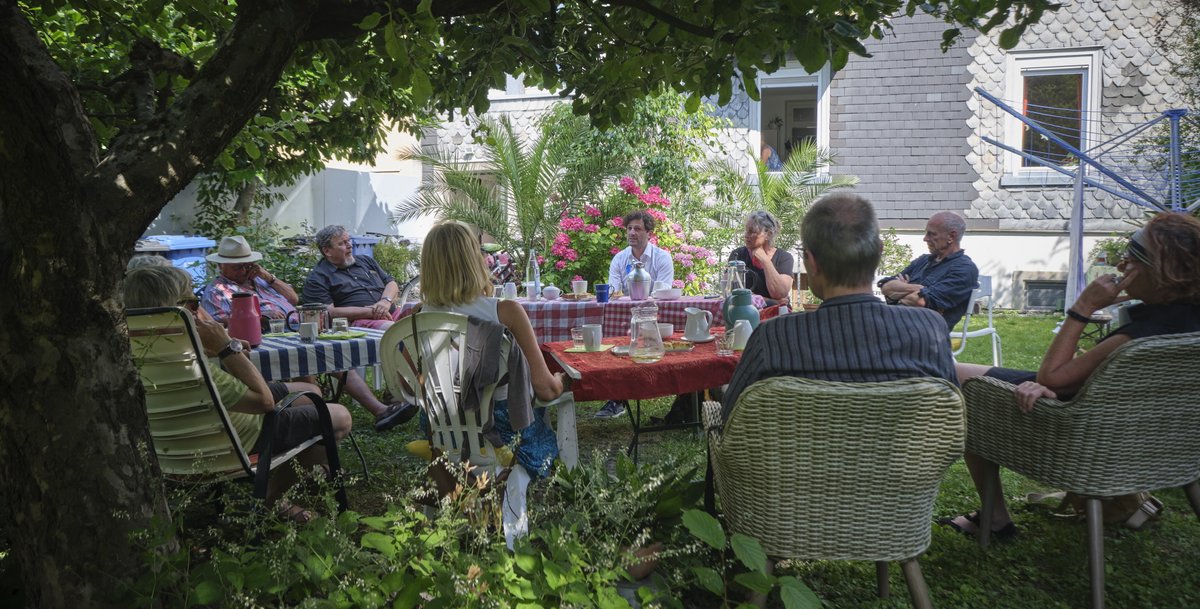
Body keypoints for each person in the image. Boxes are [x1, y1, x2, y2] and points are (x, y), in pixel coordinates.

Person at [943, 212, 1200, 539]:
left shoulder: (1142, 335)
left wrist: (1082, 308)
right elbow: (1103, 376)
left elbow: (1052, 377)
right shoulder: (1186, 324)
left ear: (1167, 272)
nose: (1121, 267)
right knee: (963, 371)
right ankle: (1123, 497)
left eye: (1132, 258)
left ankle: (994, 519)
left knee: (959, 379)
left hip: (1080, 431)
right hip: (1159, 443)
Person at [123, 265, 352, 523]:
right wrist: (225, 349)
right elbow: (264, 402)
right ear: (176, 309)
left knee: (310, 390)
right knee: (339, 418)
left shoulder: (138, 356)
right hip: (240, 439)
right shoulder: (192, 367)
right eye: (193, 302)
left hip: (178, 448)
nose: (199, 311)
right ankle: (273, 499)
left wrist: (217, 348)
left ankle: (306, 465)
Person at [722, 192, 957, 422]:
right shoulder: (930, 329)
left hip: (798, 459)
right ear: (879, 251)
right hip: (900, 459)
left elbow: (730, 417)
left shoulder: (773, 336)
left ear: (811, 262)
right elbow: (948, 417)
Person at [202, 235, 417, 432]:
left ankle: (377, 410)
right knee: (306, 359)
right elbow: (217, 325)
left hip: (297, 331)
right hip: (266, 339)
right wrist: (261, 316)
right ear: (222, 265)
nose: (244, 270)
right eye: (238, 267)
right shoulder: (217, 290)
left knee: (333, 357)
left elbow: (294, 299)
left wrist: (267, 276)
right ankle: (317, 420)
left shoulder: (260, 280)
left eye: (247, 265)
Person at [418, 221, 565, 478]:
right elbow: (546, 389)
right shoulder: (505, 311)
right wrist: (559, 382)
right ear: (474, 260)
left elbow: (407, 387)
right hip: (499, 429)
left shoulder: (416, 318)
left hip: (441, 429)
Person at [599, 210, 675, 419]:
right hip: (624, 317)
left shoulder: (662, 257)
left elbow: (662, 292)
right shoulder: (619, 259)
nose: (632, 233)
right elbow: (615, 292)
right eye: (629, 228)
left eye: (638, 229)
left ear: (649, 232)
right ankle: (617, 397)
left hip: (654, 317)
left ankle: (653, 388)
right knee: (611, 340)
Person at [877, 211, 979, 331]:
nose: (925, 238)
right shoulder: (923, 261)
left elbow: (919, 301)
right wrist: (920, 289)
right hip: (897, 324)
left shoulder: (964, 269)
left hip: (926, 335)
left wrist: (899, 292)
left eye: (931, 234)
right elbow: (885, 286)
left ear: (951, 236)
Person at [303, 225, 404, 329]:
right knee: (394, 330)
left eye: (349, 240)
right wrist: (371, 312)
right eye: (342, 243)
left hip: (389, 312)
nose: (349, 246)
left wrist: (385, 301)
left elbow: (391, 283)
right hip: (358, 323)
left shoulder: (366, 261)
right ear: (327, 251)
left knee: (419, 312)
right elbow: (328, 312)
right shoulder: (317, 278)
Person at [728, 210, 794, 305]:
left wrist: (765, 260)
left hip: (778, 315)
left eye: (752, 232)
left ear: (768, 234)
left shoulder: (784, 258)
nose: (746, 235)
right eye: (746, 231)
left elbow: (780, 293)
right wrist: (771, 301)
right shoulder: (738, 255)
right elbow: (733, 292)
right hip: (745, 312)